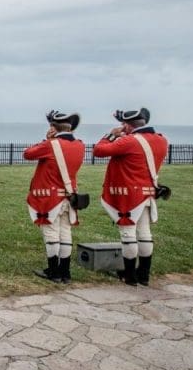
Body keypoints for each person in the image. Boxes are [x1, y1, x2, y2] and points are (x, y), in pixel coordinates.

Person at [93, 108, 169, 286]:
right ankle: (143, 275)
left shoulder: (129, 141)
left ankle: (129, 276)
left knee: (128, 233)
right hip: (147, 193)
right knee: (145, 234)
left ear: (127, 125)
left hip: (128, 195)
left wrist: (111, 135)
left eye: (123, 125)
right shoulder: (162, 140)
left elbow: (99, 150)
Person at [24, 110, 85, 284]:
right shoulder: (80, 144)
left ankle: (53, 271)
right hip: (69, 196)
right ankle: (65, 272)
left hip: (49, 197)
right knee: (65, 233)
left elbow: (28, 153)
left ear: (53, 127)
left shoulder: (51, 144)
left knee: (51, 232)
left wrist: (47, 139)